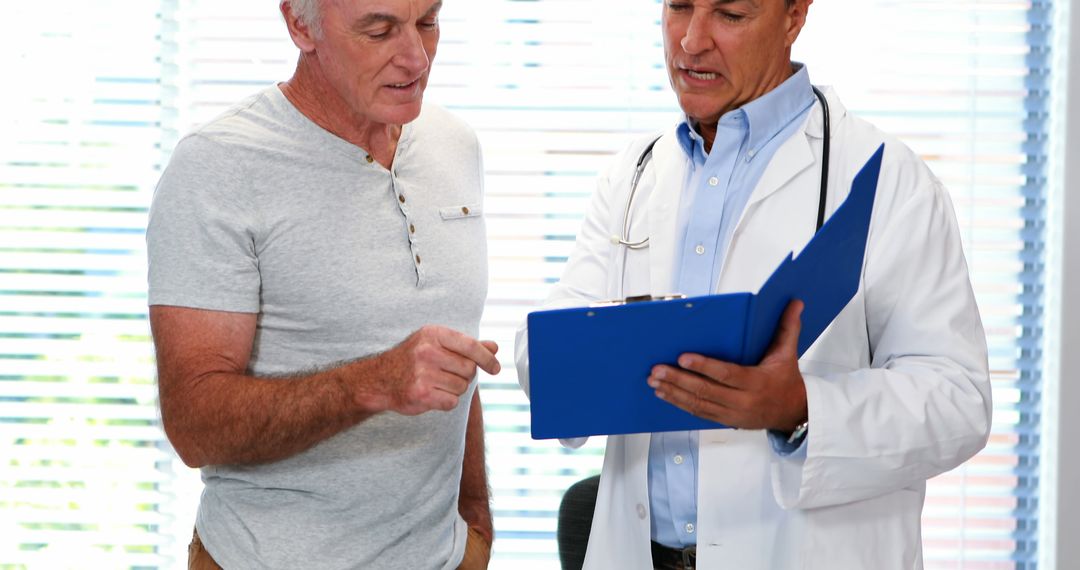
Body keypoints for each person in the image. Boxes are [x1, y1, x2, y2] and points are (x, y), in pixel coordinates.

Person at [514, 1, 992, 568]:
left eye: (730, 14)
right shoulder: (634, 172)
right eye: (678, 7)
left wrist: (800, 408)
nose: (690, 41)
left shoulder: (890, 179)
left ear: (794, 15)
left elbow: (958, 401)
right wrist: (561, 359)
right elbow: (549, 347)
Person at [146, 0, 499, 568]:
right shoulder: (217, 166)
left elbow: (448, 359)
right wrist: (373, 384)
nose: (415, 57)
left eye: (428, 22)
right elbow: (193, 424)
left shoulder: (452, 144)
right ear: (299, 24)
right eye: (379, 30)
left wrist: (475, 522)